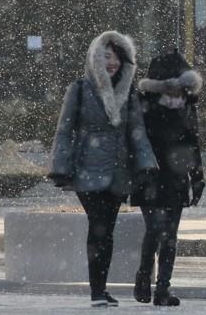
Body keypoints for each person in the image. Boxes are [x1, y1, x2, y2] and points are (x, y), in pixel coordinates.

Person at [48, 31, 158, 307]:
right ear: (96, 58)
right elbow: (65, 130)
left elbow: (137, 132)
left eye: (118, 58)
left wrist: (146, 164)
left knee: (106, 230)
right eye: (107, 57)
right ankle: (97, 292)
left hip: (117, 173)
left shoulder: (128, 92)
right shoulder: (80, 88)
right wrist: (60, 166)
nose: (113, 63)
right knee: (98, 226)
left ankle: (100, 289)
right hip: (87, 169)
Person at [130, 50, 205, 306]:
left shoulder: (187, 106)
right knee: (154, 230)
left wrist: (198, 177)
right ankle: (143, 277)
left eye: (181, 87)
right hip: (150, 176)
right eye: (172, 87)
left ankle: (162, 288)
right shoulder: (144, 105)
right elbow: (135, 141)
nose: (176, 93)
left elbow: (192, 143)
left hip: (175, 177)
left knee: (170, 235)